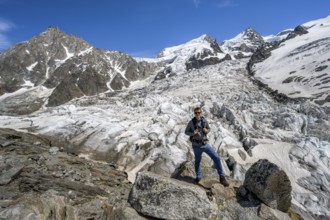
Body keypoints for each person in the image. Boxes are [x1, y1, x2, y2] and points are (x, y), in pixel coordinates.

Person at [185, 107, 229, 187]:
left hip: (204, 144)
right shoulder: (191, 122)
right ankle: (198, 177)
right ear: (194, 113)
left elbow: (208, 128)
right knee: (197, 161)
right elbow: (186, 132)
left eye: (199, 112)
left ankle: (222, 177)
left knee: (217, 158)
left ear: (201, 113)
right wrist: (193, 133)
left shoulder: (204, 120)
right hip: (196, 146)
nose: (197, 114)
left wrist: (207, 131)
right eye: (196, 113)